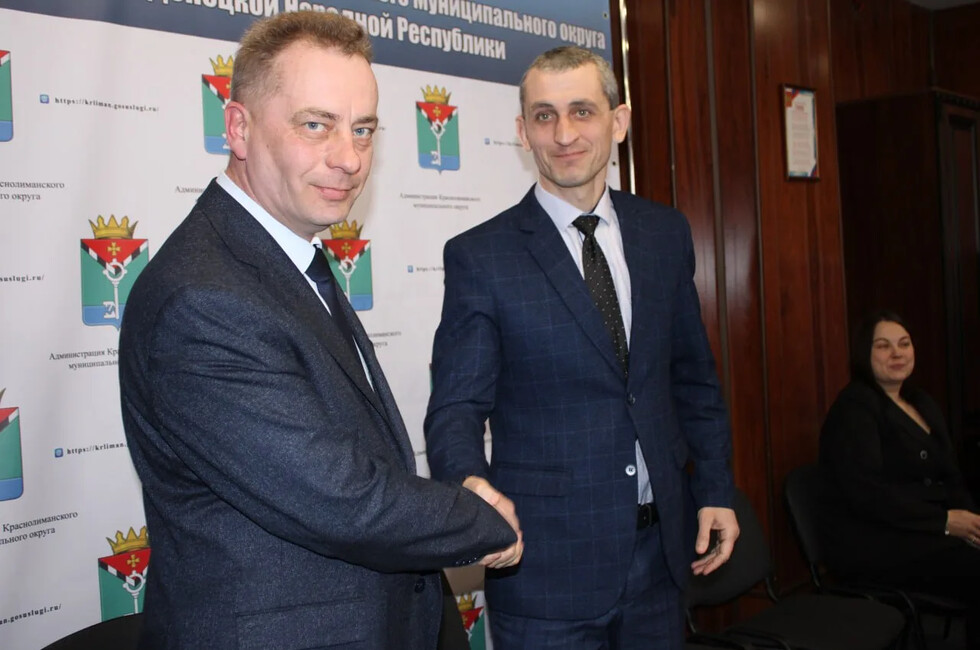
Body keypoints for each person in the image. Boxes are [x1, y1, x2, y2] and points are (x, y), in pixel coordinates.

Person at [118, 12, 521, 650]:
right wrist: (480, 519)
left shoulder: (283, 254)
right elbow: (340, 498)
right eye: (316, 125)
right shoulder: (204, 297)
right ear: (239, 128)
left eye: (362, 130)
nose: (349, 159)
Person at [424, 46, 738, 649]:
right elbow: (456, 408)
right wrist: (469, 486)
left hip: (661, 557)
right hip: (546, 571)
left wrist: (715, 490)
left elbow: (694, 380)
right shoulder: (480, 257)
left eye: (582, 112)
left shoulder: (664, 233)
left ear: (618, 122)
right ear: (523, 132)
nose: (564, 134)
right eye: (544, 116)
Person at [820, 310, 980, 644]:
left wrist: (972, 521)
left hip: (924, 531)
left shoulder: (920, 401)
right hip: (877, 543)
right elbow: (868, 494)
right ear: (864, 354)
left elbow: (951, 476)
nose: (897, 353)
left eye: (904, 344)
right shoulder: (854, 407)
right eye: (883, 346)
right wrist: (945, 522)